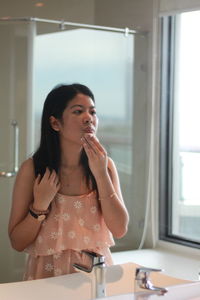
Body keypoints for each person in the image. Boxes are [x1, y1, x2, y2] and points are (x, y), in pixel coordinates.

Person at [8, 83, 129, 280]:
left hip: (94, 279)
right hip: (46, 279)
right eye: (78, 111)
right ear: (55, 123)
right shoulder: (32, 170)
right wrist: (39, 206)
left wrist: (100, 174)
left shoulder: (105, 167)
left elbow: (120, 229)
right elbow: (17, 242)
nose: (89, 118)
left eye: (93, 112)